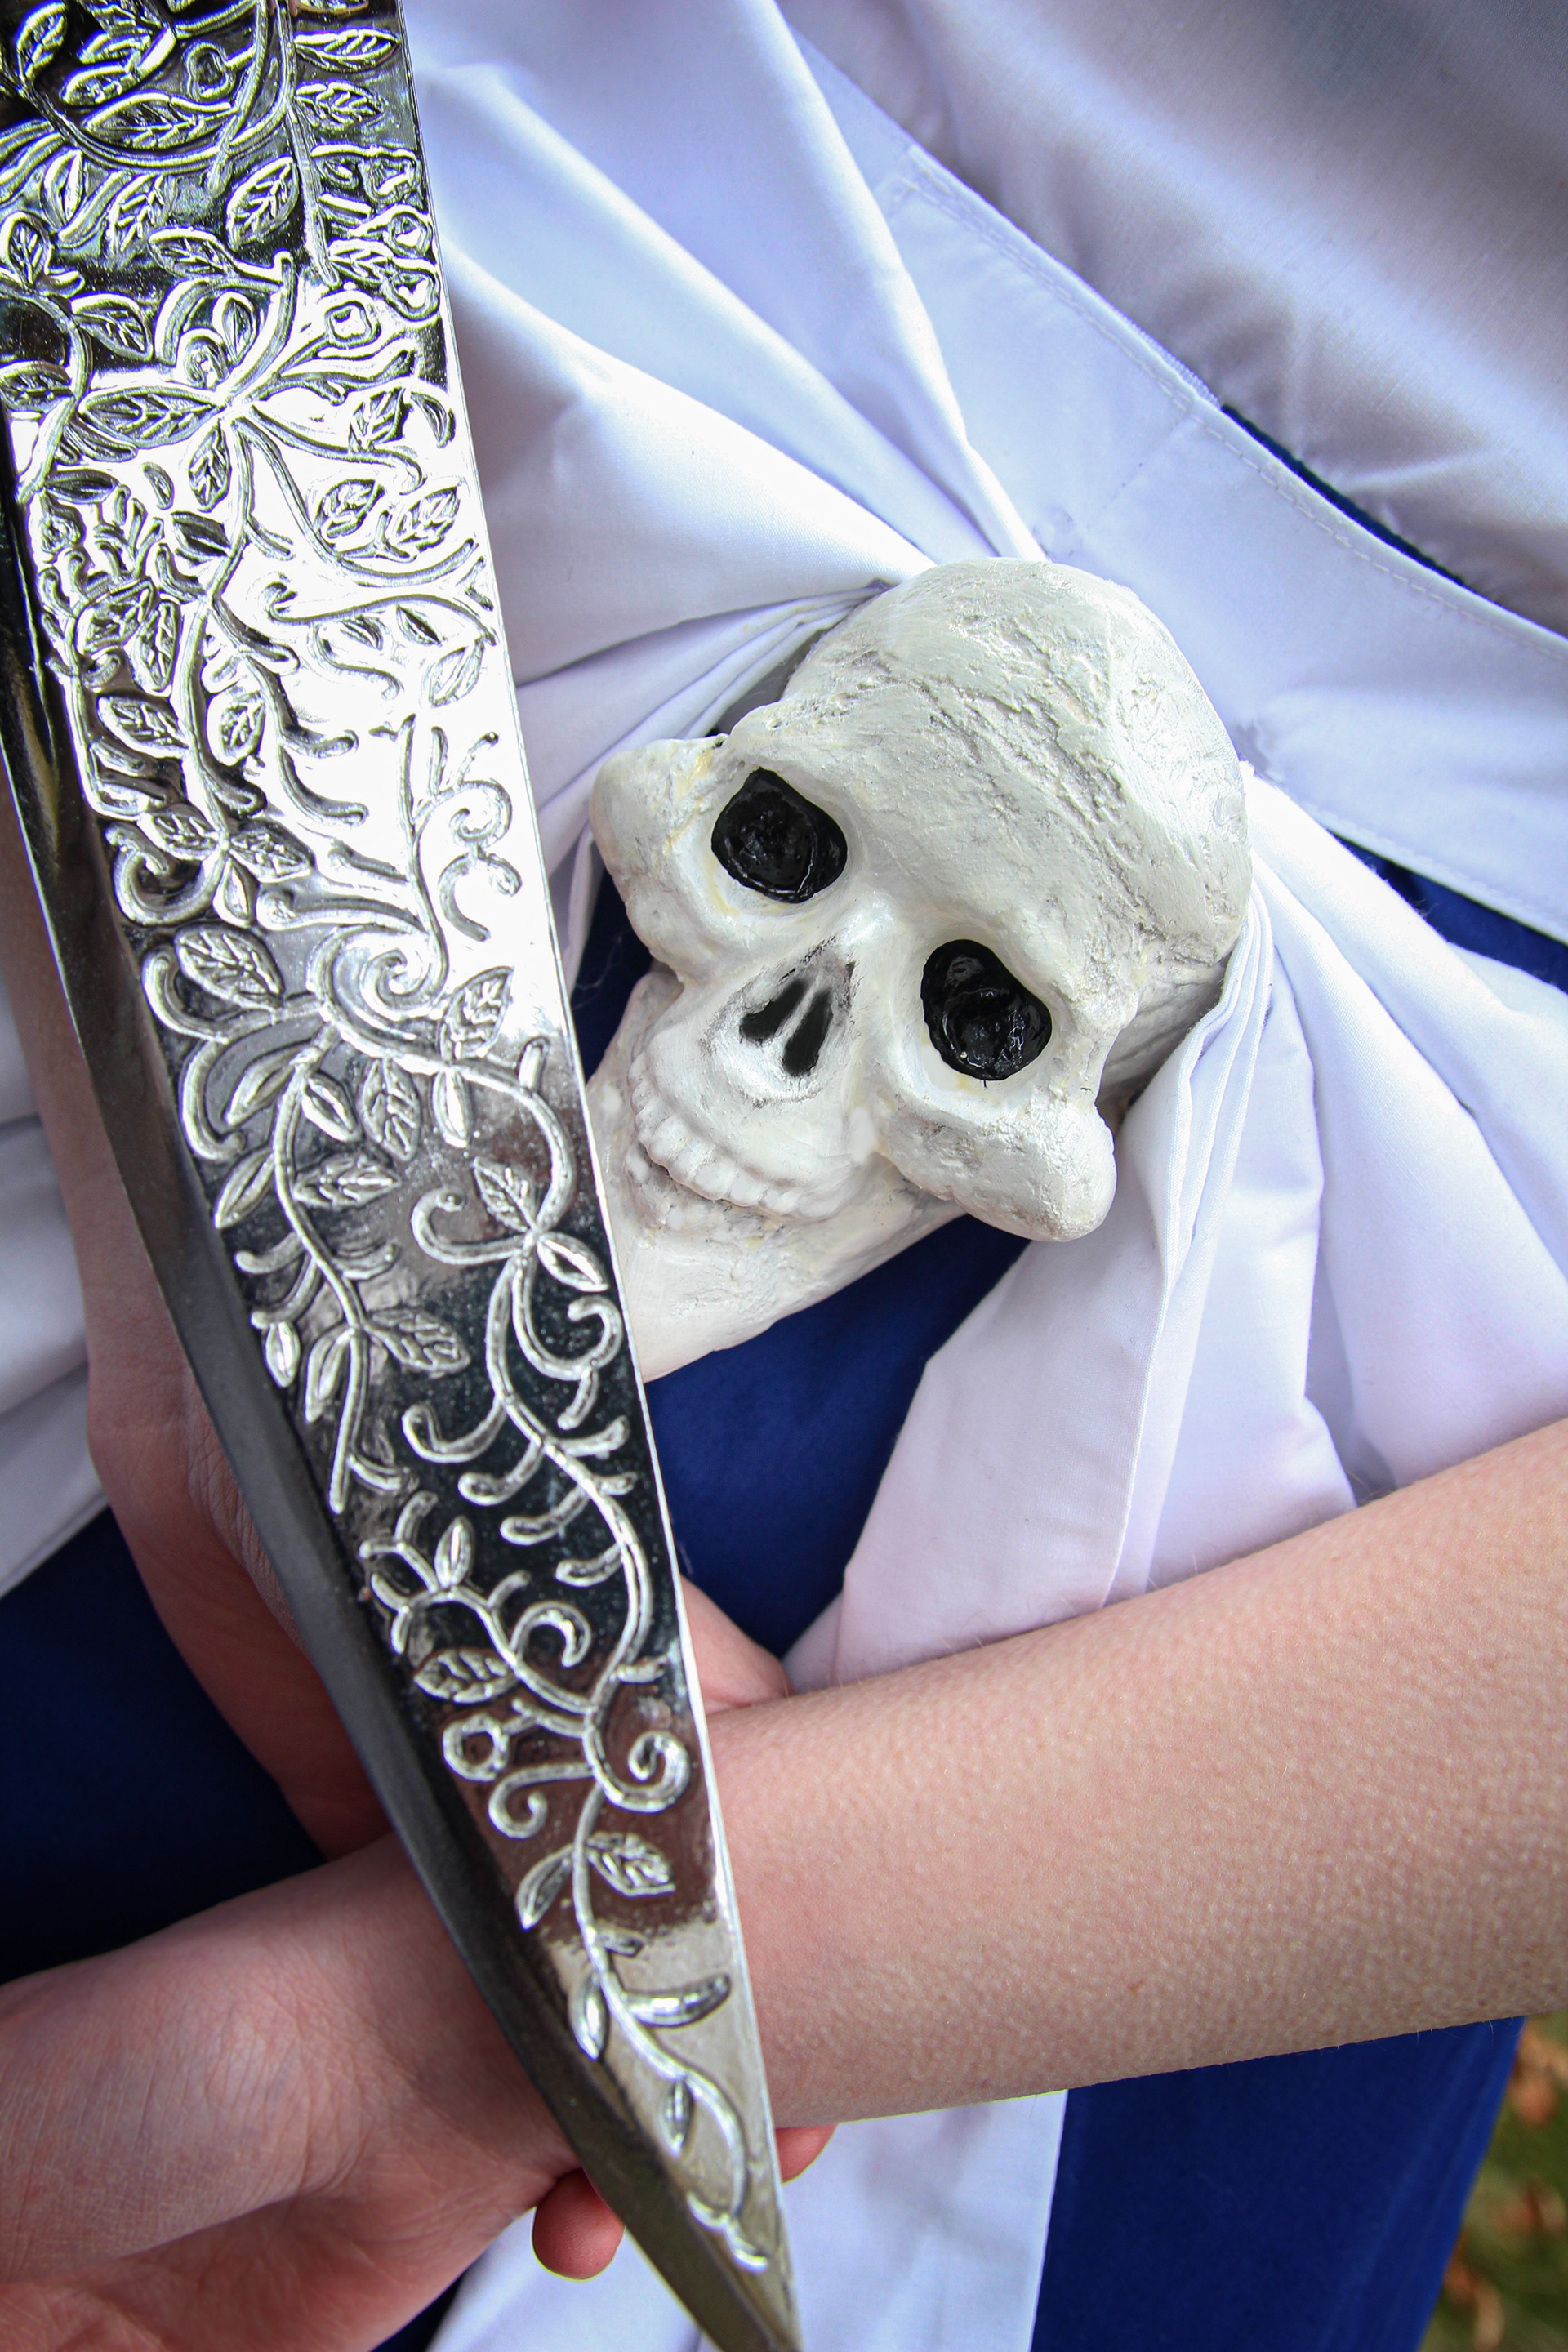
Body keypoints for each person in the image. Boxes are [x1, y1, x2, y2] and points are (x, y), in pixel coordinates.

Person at [3, 5, 1567, 2350]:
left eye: (979, 1022)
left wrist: (651, 1955)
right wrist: (245, 1244)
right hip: (285, 494)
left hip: (1273, 1716)